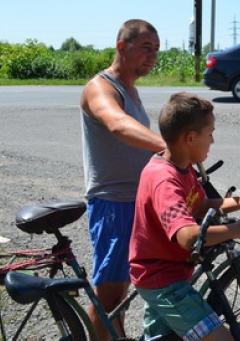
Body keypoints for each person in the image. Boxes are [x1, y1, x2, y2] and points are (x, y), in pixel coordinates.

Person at [129, 92, 240, 341]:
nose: (212, 141)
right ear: (190, 138)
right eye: (210, 134)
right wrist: (237, 230)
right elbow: (187, 237)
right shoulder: (165, 179)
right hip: (164, 280)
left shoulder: (180, 165)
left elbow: (200, 205)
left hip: (167, 275)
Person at [80, 18, 167, 340]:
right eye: (146, 48)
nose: (153, 56)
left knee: (124, 294)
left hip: (137, 201)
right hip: (114, 204)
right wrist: (170, 147)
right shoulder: (101, 88)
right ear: (121, 46)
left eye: (156, 50)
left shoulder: (131, 88)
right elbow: (117, 124)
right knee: (110, 297)